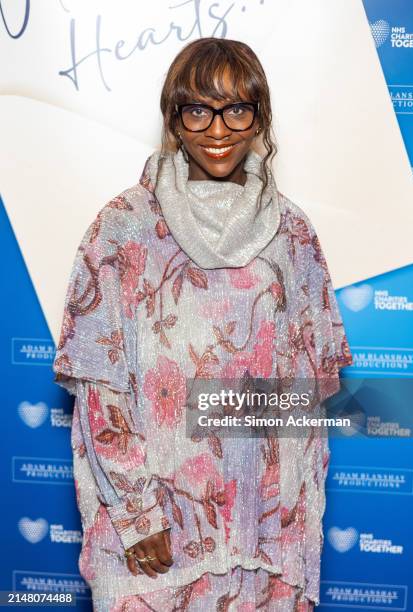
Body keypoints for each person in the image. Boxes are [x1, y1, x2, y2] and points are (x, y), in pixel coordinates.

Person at [53, 37, 353, 611]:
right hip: (153, 537)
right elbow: (99, 389)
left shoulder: (292, 233)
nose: (218, 129)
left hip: (263, 538)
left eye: (237, 109)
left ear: (260, 118)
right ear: (174, 118)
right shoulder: (121, 230)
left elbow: (305, 398)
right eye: (198, 109)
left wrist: (284, 521)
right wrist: (137, 516)